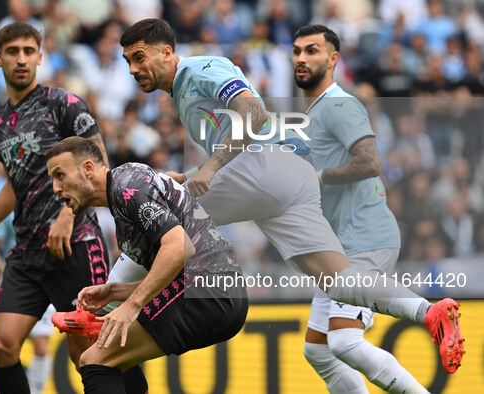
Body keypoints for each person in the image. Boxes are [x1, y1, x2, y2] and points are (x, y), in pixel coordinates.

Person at [116, 18, 463, 375]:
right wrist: (191, 174)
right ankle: (428, 311)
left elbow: (253, 113)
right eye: (128, 61)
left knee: (159, 211)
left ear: (167, 52)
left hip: (265, 169)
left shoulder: (201, 68)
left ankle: (98, 307)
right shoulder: (183, 91)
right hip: (285, 179)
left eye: (139, 57)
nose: (133, 69)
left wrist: (208, 169)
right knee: (338, 282)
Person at [0, 22, 145, 394]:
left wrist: (67, 216)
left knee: (91, 351)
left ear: (40, 56)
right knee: (3, 345)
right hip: (27, 250)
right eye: (12, 51)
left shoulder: (64, 104)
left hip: (76, 243)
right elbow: (15, 184)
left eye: (28, 51)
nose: (21, 59)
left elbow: (98, 163)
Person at [46, 136, 248, 393]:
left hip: (207, 292)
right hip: (218, 292)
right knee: (113, 358)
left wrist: (130, 306)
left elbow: (180, 248)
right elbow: (175, 268)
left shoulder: (126, 188)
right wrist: (115, 292)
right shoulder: (125, 185)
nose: (55, 187)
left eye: (60, 175)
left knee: (94, 361)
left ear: (88, 168)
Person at [292, 24, 428, 393]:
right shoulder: (311, 114)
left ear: (333, 59)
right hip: (338, 248)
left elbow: (370, 162)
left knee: (344, 342)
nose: (302, 58)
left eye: (312, 50)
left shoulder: (339, 104)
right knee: (318, 350)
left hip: (363, 239)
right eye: (297, 51)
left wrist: (316, 178)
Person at [0, 211, 55, 394]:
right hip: (15, 282)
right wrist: (9, 273)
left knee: (41, 347)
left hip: (45, 280)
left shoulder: (56, 203)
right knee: (4, 343)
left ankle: (34, 391)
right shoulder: (9, 210)